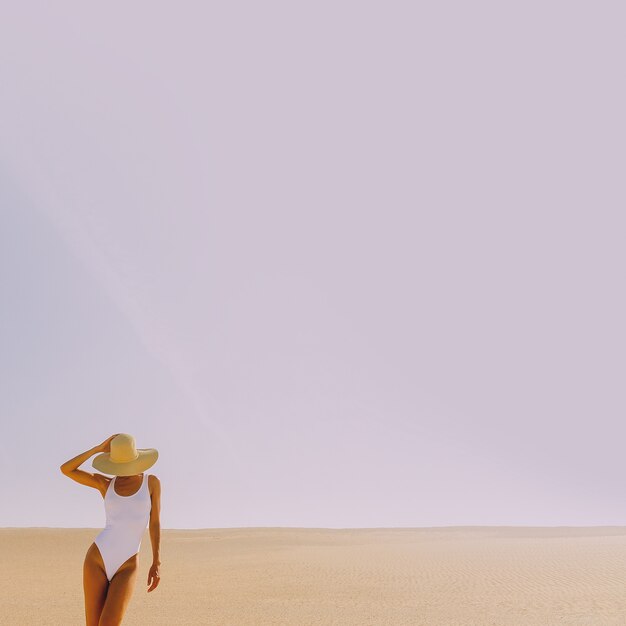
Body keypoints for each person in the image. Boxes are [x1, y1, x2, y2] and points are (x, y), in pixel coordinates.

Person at [60, 433, 162, 626]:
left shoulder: (151, 483)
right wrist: (96, 449)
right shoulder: (105, 484)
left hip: (128, 564)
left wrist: (157, 562)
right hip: (97, 559)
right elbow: (66, 469)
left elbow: (155, 523)